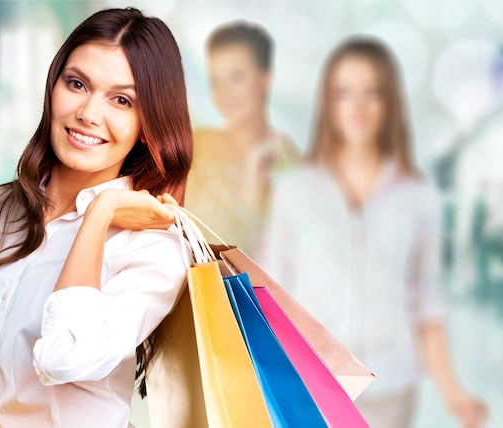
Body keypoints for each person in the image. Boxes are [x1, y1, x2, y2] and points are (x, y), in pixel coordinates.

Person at [0, 8, 193, 428]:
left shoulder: (154, 247)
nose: (89, 114)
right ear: (53, 86)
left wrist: (100, 214)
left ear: (148, 124)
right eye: (77, 84)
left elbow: (64, 357)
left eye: (121, 100)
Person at [262, 37, 488, 428]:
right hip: (311, 384)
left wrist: (453, 392)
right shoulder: (293, 191)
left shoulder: (419, 198)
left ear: (390, 103)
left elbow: (427, 304)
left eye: (372, 93)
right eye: (343, 93)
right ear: (328, 104)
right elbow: (269, 293)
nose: (357, 107)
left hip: (392, 389)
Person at [184, 20, 301, 258]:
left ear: (265, 77)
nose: (225, 92)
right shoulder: (197, 147)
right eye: (216, 81)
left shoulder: (289, 162)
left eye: (236, 77)